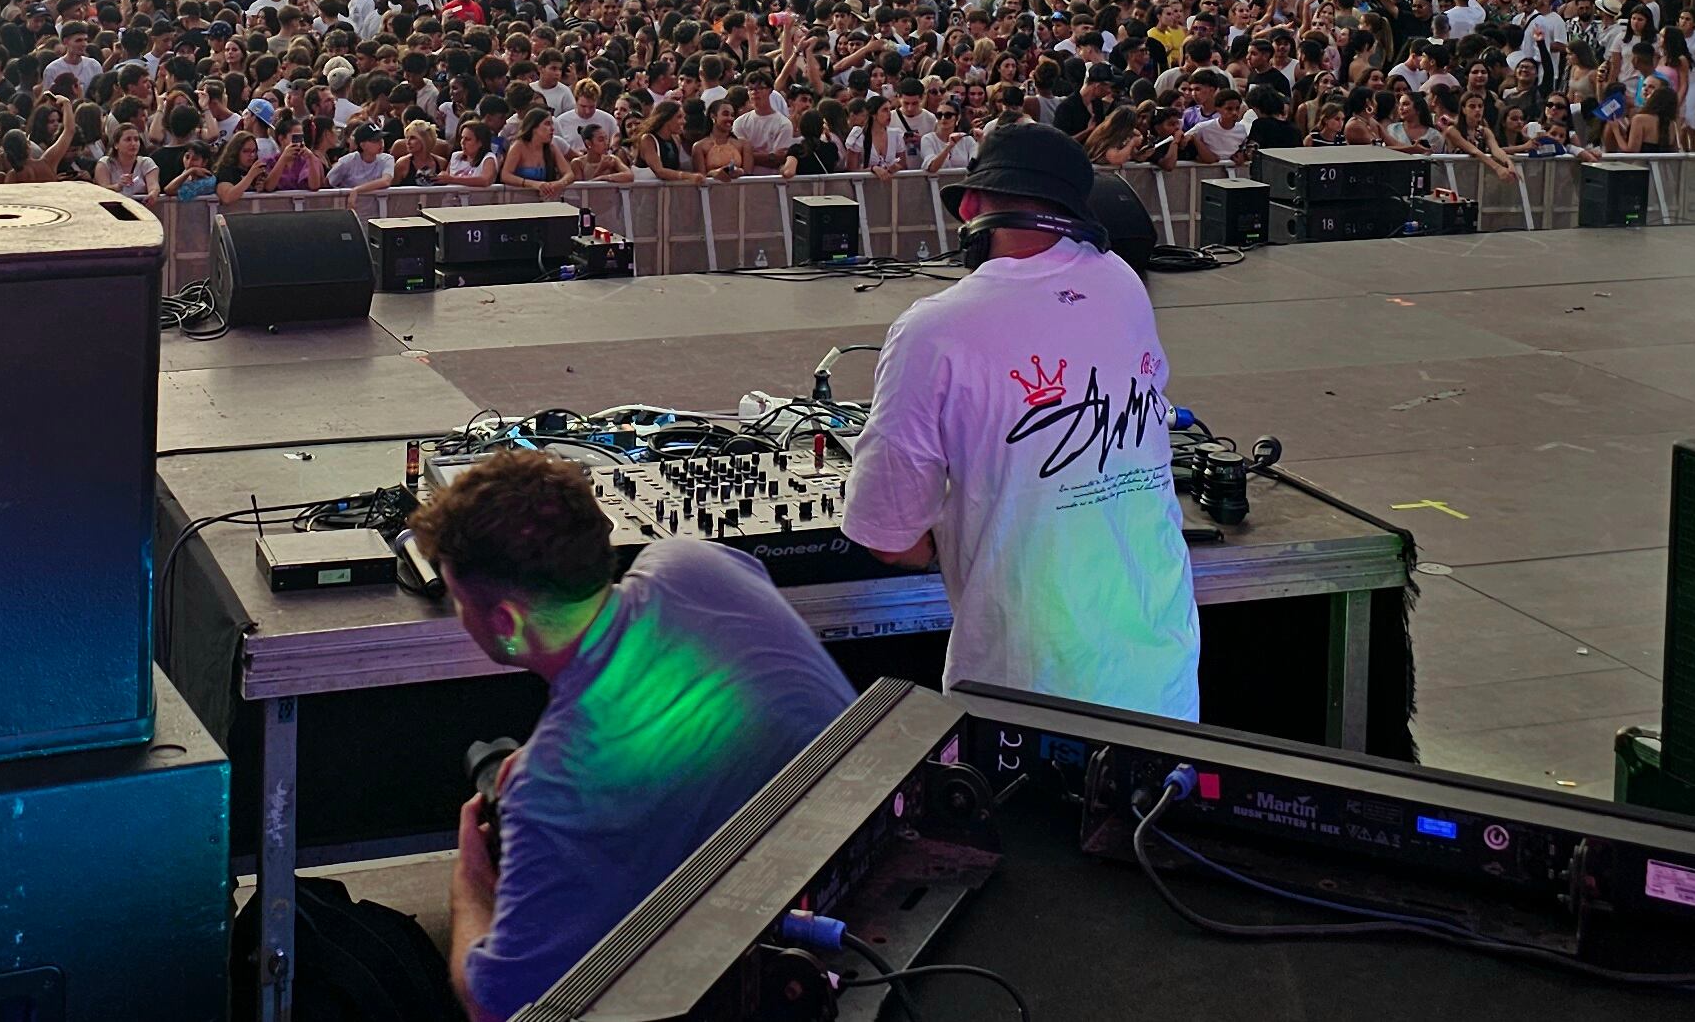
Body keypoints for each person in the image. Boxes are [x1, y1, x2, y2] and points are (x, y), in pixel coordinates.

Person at [413, 451, 856, 1022]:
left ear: (506, 623)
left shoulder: (555, 785)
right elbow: (702, 699)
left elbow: (495, 1004)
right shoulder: (694, 561)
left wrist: (470, 883)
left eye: (457, 600)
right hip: (856, 886)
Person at [840, 120, 1201, 719]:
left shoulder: (935, 330)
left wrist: (962, 524)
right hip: (1162, 672)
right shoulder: (1123, 284)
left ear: (972, 211)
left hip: (1026, 690)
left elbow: (889, 537)